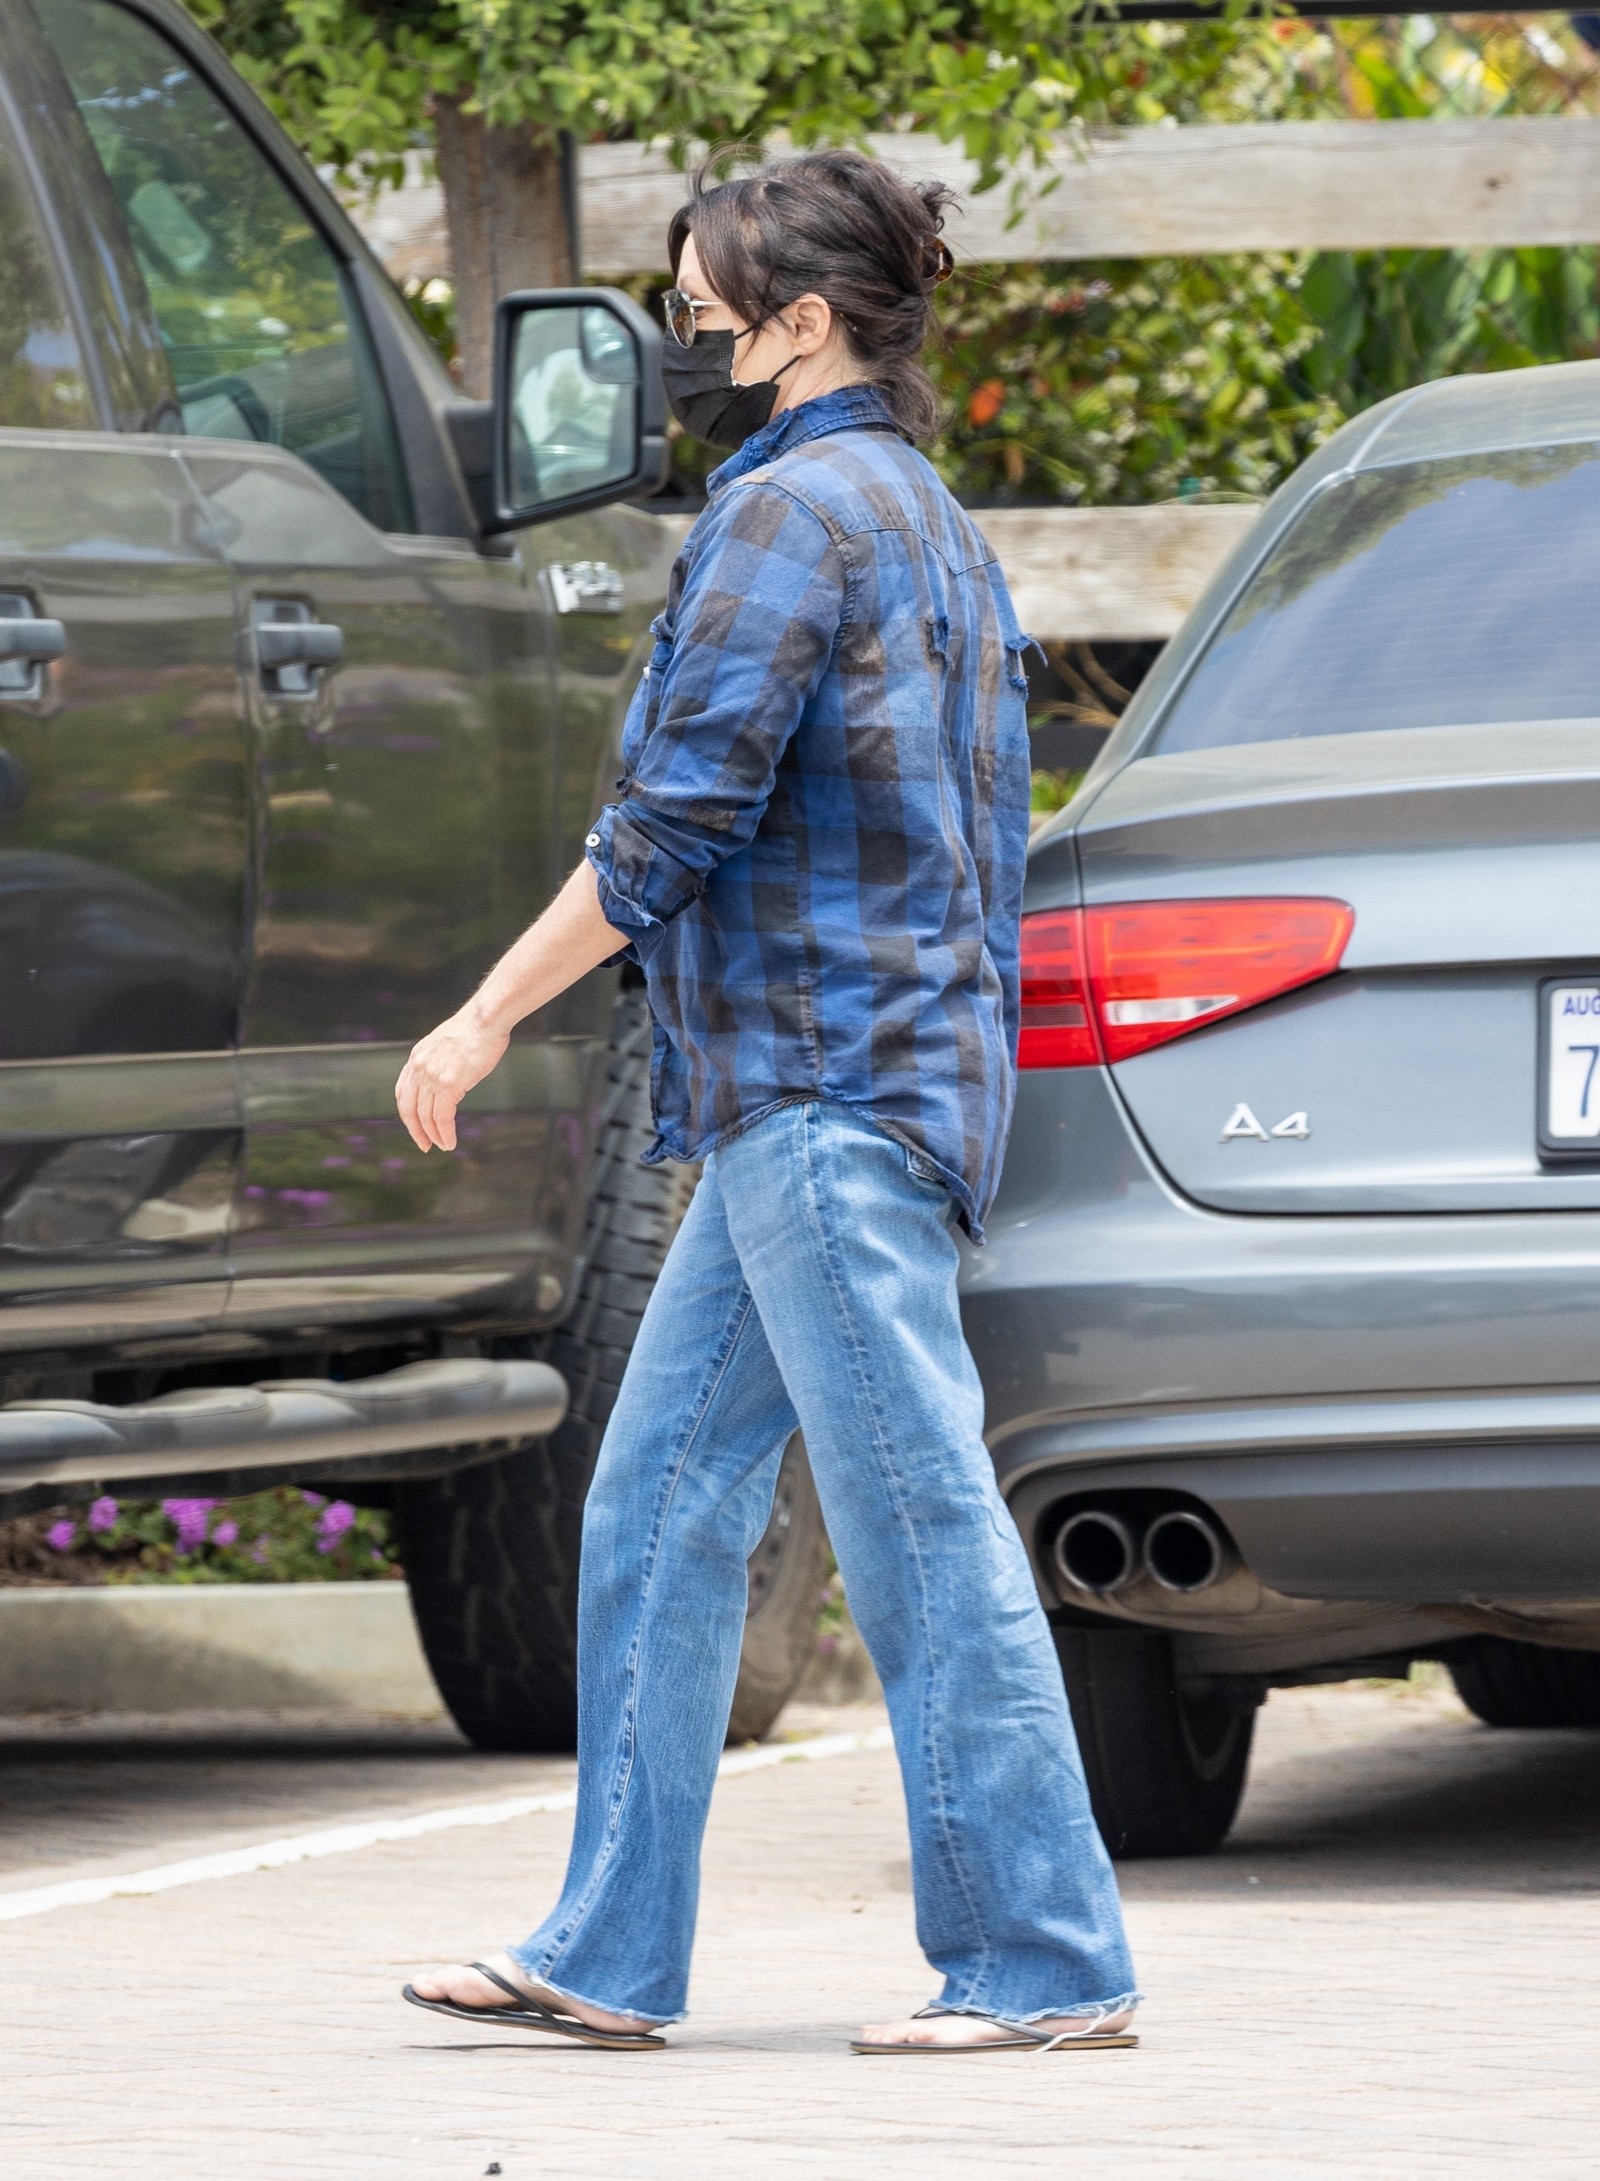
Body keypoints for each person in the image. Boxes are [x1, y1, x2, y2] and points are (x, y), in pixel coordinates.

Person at [396, 148, 1139, 2055]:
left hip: (825, 1090)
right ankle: (610, 1949)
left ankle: (1044, 1960)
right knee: (654, 1506)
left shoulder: (791, 517)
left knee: (916, 1515)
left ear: (802, 323)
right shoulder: (927, 520)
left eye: (698, 312)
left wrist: (478, 1017)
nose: (681, 341)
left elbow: (670, 825)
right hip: (832, 1092)